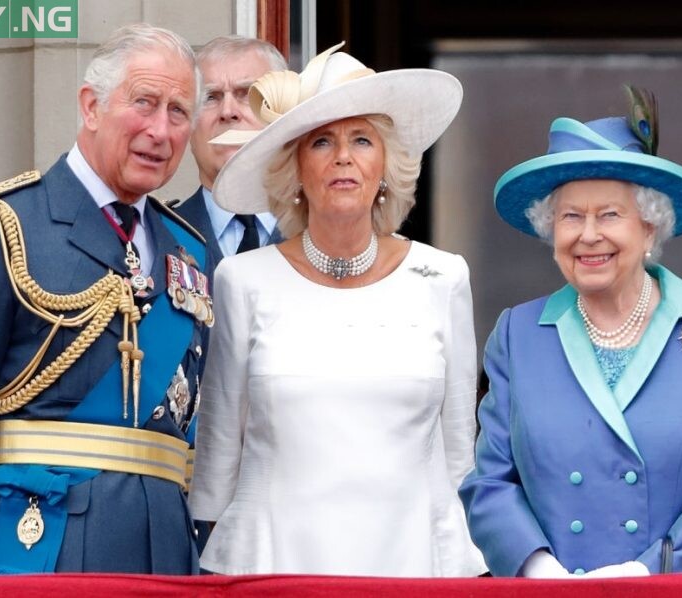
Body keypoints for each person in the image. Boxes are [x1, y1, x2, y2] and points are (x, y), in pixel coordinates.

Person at [0, 23, 211, 576]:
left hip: (165, 560)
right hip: (38, 554)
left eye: (178, 112)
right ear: (90, 106)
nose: (160, 131)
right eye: (144, 102)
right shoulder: (1, 229)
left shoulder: (189, 252)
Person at [187, 43, 486, 576]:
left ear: (387, 167)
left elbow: (459, 457)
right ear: (296, 169)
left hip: (411, 564)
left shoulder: (444, 277)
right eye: (322, 141)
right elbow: (216, 460)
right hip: (271, 567)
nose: (343, 156)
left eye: (362, 140)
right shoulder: (242, 279)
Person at [459, 86, 682, 577]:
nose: (588, 235)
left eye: (609, 214)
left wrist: (647, 573)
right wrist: (537, 569)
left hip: (678, 592)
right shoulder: (517, 335)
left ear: (649, 228)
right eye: (570, 217)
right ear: (551, 231)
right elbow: (490, 480)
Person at [174, 35, 287, 283]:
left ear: (283, 115)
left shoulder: (323, 232)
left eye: (247, 94)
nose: (228, 112)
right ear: (188, 123)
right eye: (210, 97)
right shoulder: (159, 234)